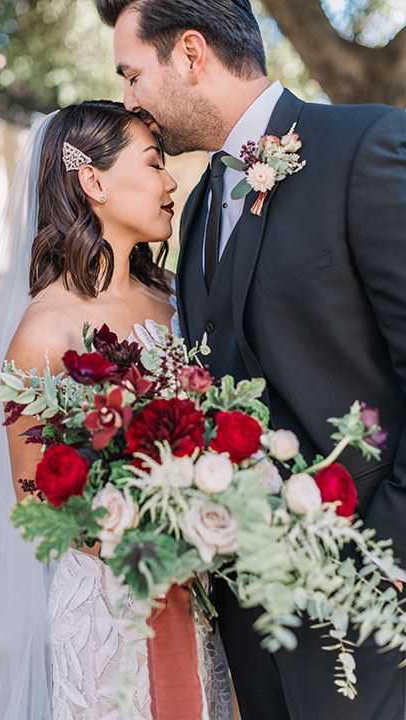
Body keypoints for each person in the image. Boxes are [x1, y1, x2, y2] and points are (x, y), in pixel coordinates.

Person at [95, 1, 406, 719]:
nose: (129, 98)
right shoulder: (199, 206)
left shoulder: (363, 147)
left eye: (133, 74)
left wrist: (387, 560)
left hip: (369, 611)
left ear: (192, 54)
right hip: (251, 622)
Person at [0, 100, 232, 720]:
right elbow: (37, 500)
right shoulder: (46, 330)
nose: (170, 180)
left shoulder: (179, 301)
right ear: (93, 181)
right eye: (153, 164)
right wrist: (149, 533)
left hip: (201, 592)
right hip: (108, 611)